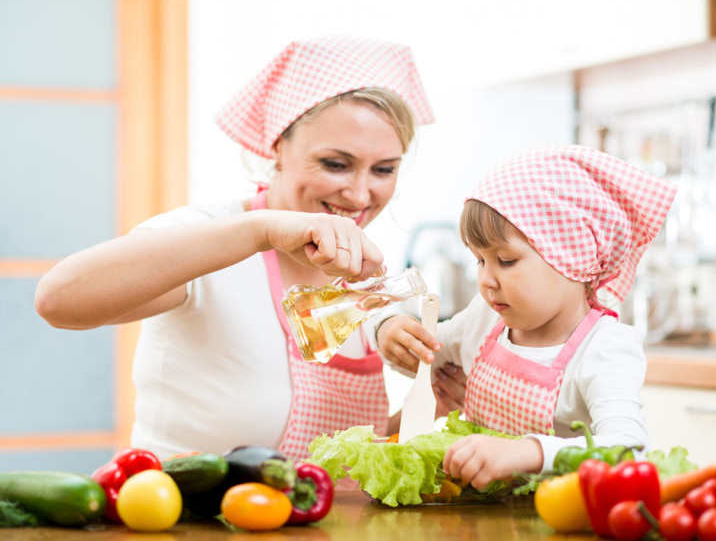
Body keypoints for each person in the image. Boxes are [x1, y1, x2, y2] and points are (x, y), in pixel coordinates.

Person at [34, 37, 435, 461]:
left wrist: (426, 406)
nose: (358, 194)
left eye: (384, 170)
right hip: (186, 521)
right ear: (277, 145)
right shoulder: (208, 236)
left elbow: (333, 456)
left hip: (312, 525)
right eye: (336, 164)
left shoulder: (363, 270)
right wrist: (263, 231)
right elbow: (57, 300)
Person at [377, 146, 677, 489]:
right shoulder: (484, 317)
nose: (487, 280)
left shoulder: (606, 347)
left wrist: (527, 453)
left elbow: (628, 451)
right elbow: (424, 360)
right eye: (479, 260)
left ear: (571, 257)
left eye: (506, 261)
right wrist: (391, 332)